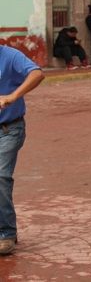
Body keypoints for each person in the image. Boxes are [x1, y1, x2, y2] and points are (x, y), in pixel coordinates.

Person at [0, 46, 44, 255]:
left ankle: (6, 233)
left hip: (9, 129)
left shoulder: (10, 56)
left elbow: (36, 73)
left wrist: (13, 95)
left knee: (0, 176)